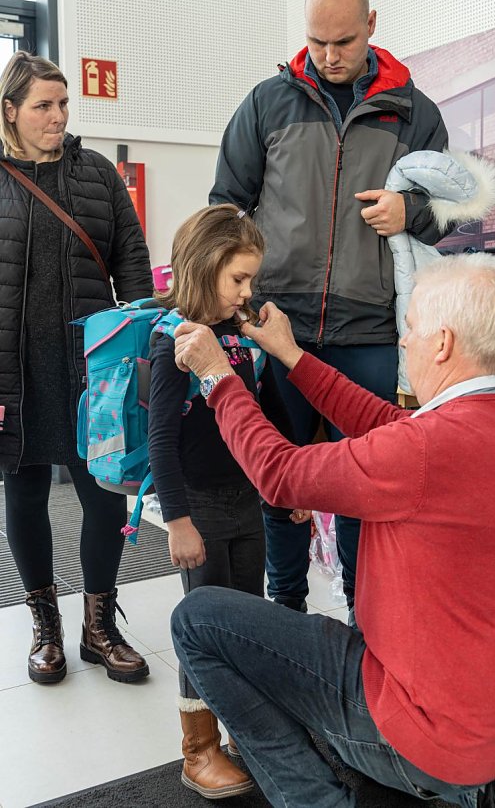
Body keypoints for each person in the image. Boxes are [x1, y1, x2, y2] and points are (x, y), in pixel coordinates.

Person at [170, 253, 495, 808]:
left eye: (410, 330)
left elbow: (279, 475)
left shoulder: (426, 450)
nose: (403, 344)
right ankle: (477, 784)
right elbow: (388, 424)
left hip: (431, 734)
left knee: (196, 620)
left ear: (443, 343)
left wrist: (217, 377)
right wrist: (291, 355)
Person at [210, 0, 456, 615]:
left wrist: (411, 214)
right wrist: (233, 300)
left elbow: (447, 206)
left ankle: (360, 622)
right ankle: (285, 613)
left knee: (362, 490)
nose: (328, 56)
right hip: (276, 323)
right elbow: (225, 208)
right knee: (279, 480)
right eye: (316, 42)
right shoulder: (267, 102)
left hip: (368, 334)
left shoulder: (414, 113)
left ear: (371, 26)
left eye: (342, 42)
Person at [0, 51, 153, 685]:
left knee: (101, 493)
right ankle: (45, 627)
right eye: (43, 106)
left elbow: (134, 266)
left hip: (95, 374)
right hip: (18, 373)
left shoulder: (97, 175)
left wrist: (143, 350)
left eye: (63, 104)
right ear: (10, 111)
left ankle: (98, 627)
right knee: (27, 494)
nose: (58, 116)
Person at [147, 204, 308, 799]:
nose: (247, 291)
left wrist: (289, 485)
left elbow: (269, 416)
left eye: (251, 279)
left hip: (248, 501)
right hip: (202, 509)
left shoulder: (243, 339)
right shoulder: (175, 343)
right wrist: (178, 522)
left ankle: (246, 728)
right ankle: (199, 748)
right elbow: (162, 444)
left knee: (249, 617)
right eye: (237, 278)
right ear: (204, 265)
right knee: (203, 629)